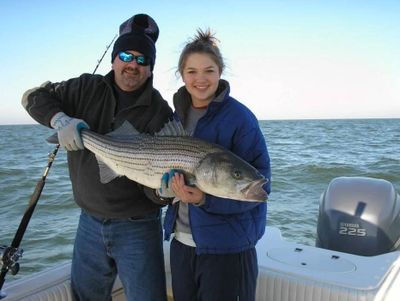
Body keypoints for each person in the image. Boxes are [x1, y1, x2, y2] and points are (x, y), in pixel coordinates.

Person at [21, 13, 172, 301]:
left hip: (138, 228)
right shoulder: (85, 88)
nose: (133, 65)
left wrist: (163, 193)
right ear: (114, 59)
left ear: (151, 69)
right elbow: (32, 96)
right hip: (88, 223)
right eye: (127, 55)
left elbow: (154, 193)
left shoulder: (160, 112)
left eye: (143, 60)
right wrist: (59, 119)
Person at [162, 29, 271, 301]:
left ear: (220, 72)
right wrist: (161, 191)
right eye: (192, 71)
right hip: (182, 243)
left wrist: (203, 199)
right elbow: (154, 168)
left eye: (208, 71)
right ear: (182, 74)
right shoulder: (176, 117)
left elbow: (258, 192)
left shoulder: (241, 119)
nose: (201, 79)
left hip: (228, 248)